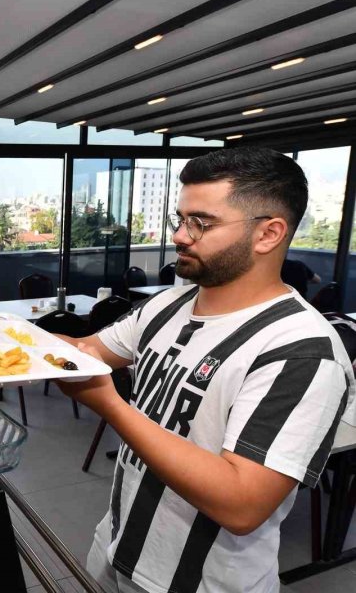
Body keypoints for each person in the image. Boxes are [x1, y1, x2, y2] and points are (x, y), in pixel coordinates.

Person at [55, 148, 355, 593]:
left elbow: (242, 504)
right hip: (116, 544)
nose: (179, 236)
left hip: (200, 583)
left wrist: (111, 406)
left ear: (269, 234)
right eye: (180, 219)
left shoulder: (301, 351)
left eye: (201, 223)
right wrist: (4, 336)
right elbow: (87, 351)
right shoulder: (166, 305)